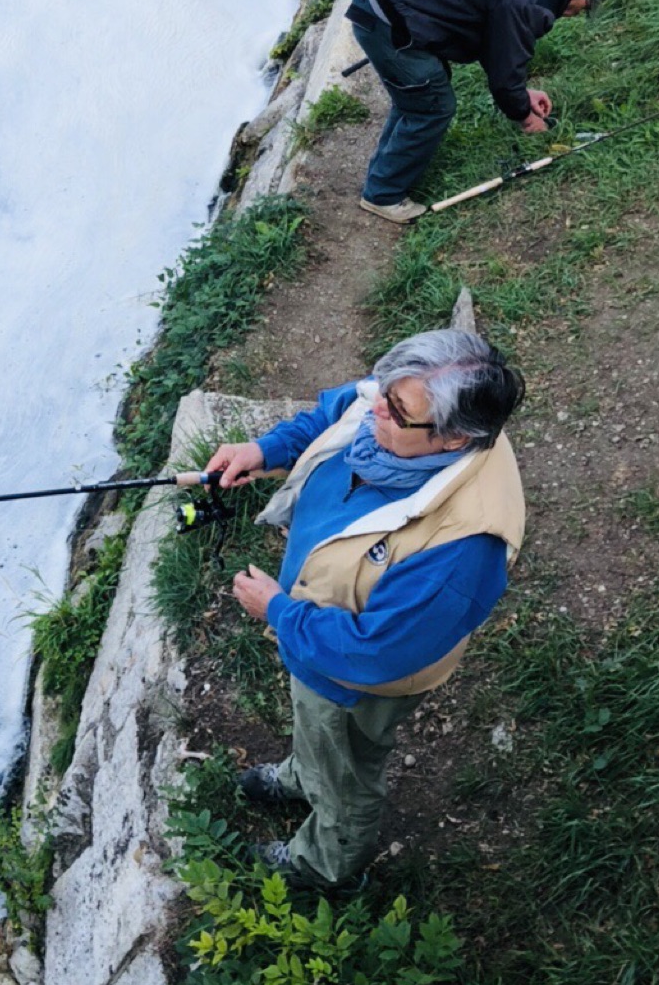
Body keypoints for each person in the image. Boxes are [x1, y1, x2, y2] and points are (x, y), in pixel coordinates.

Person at [203, 328, 526, 892]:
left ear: (454, 441)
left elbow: (374, 654)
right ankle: (304, 774)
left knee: (347, 768)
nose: (374, 405)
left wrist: (278, 613)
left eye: (395, 410)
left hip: (355, 680)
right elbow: (332, 415)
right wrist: (264, 451)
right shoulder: (397, 405)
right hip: (317, 638)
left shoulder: (462, 550)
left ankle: (326, 862)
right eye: (383, 389)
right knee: (317, 731)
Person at [348, 0, 613, 224]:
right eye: (584, 8)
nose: (576, 14)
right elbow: (504, 73)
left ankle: (385, 173)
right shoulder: (530, 0)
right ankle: (383, 196)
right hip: (388, 15)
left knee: (418, 93)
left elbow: (497, 44)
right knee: (433, 106)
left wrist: (521, 95)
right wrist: (525, 116)